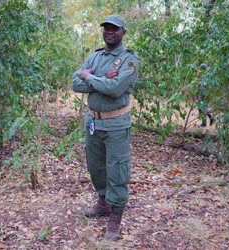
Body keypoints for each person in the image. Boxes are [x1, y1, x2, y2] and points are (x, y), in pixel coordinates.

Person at [71, 15, 139, 241]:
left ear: (123, 32)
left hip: (116, 124)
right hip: (93, 122)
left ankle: (116, 215)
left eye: (114, 29)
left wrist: (90, 77)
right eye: (106, 28)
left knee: (117, 169)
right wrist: (100, 78)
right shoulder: (96, 56)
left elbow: (116, 88)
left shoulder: (128, 60)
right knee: (96, 167)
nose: (109, 31)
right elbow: (75, 83)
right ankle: (103, 202)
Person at [195, 63, 215, 127]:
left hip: (204, 93)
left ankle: (211, 118)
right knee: (200, 107)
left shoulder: (205, 75)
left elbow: (203, 84)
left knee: (201, 106)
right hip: (204, 92)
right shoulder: (207, 74)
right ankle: (204, 122)